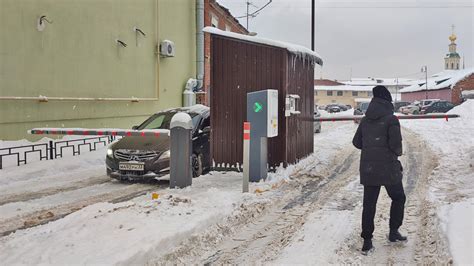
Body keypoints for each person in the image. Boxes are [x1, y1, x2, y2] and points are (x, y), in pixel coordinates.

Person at [352, 85, 407, 254]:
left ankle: (367, 241)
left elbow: (357, 142)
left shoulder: (365, 119)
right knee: (398, 197)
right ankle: (393, 232)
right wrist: (395, 153)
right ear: (388, 101)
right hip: (389, 167)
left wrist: (371, 148)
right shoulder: (391, 119)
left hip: (369, 168)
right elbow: (396, 146)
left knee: (369, 205)